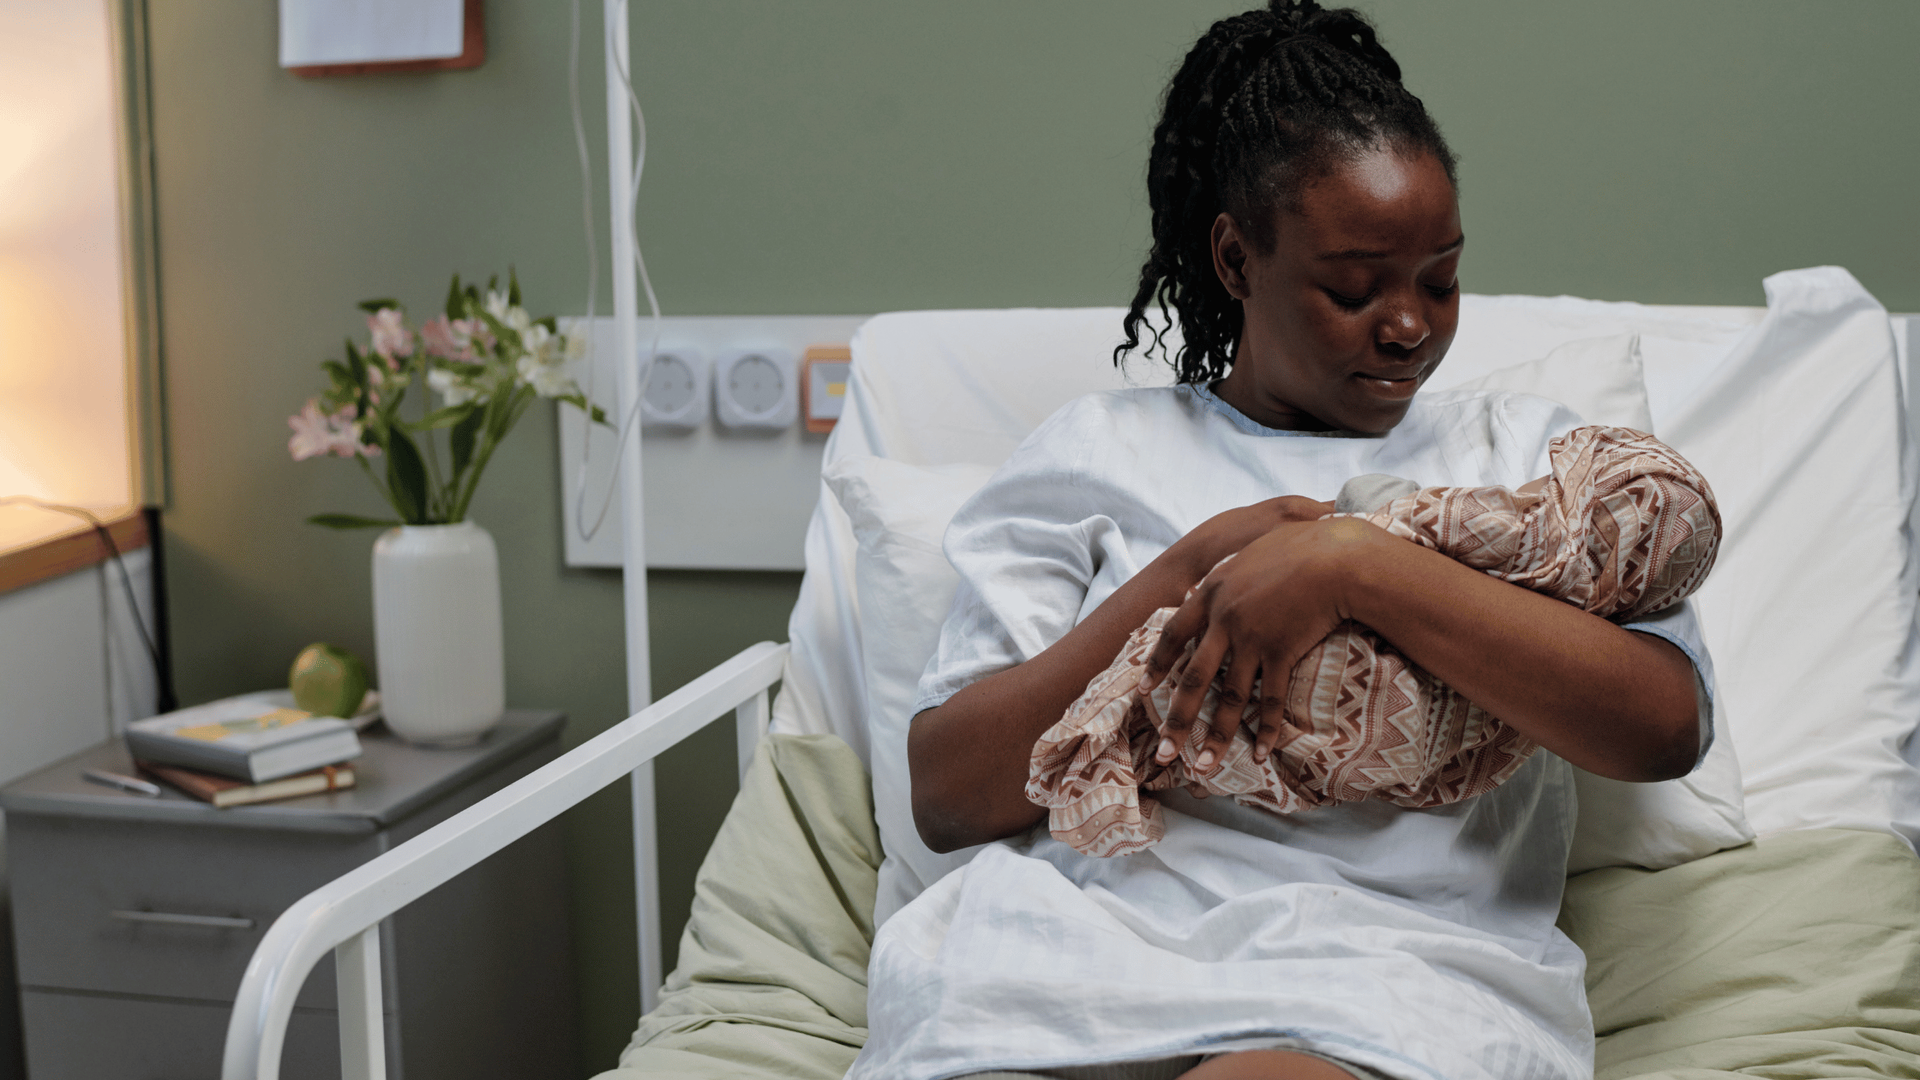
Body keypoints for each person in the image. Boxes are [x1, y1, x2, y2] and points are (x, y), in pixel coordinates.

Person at [846, 3, 1715, 1079]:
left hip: (1380, 979)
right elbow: (948, 793)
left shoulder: (1527, 464)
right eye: (1353, 288)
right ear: (1236, 259)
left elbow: (1663, 726)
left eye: (1440, 280)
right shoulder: (1098, 453)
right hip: (1064, 965)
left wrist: (1356, 567)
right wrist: (1189, 570)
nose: (1407, 325)